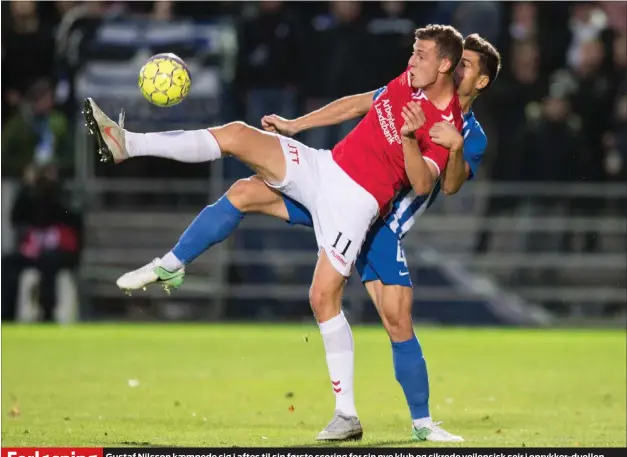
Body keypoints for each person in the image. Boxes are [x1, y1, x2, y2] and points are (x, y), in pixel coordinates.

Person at [84, 24, 465, 440]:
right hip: (326, 167)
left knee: (322, 298)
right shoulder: (407, 83)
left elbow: (425, 184)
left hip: (355, 202)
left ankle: (348, 415)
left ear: (445, 64)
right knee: (238, 136)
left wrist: (410, 140)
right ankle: (128, 146)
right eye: (413, 52)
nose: (412, 61)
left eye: (422, 55)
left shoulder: (447, 126)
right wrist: (296, 124)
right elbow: (360, 104)